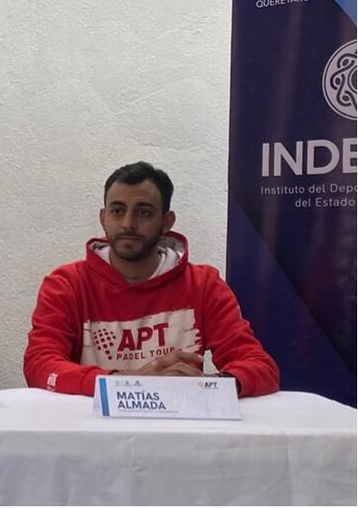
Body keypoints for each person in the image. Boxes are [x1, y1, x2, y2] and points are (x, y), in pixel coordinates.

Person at [23, 161, 280, 397]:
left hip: (179, 433)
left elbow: (261, 368)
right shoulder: (66, 284)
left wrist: (209, 387)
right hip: (94, 436)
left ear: (167, 221)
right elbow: (39, 365)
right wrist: (128, 382)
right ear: (103, 218)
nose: (128, 223)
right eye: (117, 210)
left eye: (143, 212)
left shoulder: (204, 284)